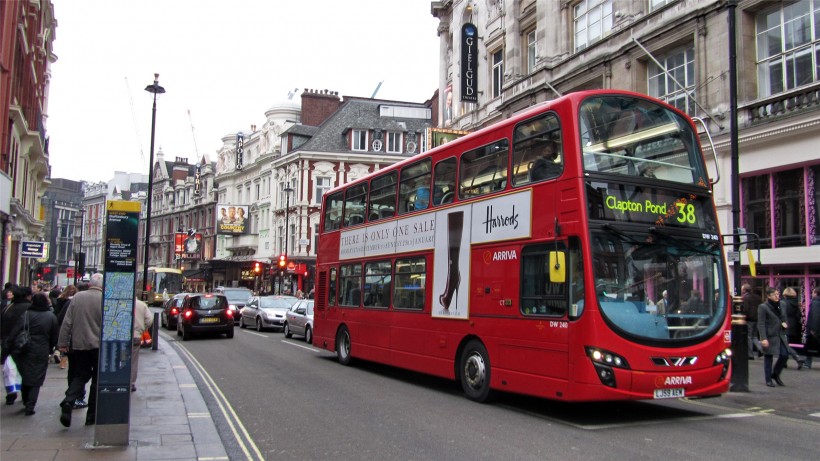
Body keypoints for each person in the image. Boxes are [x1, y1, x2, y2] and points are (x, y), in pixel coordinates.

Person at [57, 273, 103, 427]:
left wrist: (62, 343)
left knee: (80, 375)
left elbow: (67, 322)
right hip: (99, 346)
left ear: (90, 284)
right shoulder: (105, 298)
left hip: (79, 344)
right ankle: (91, 417)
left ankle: (69, 400)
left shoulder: (77, 297)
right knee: (97, 380)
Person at [3, 293, 58, 415]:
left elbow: (16, 331)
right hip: (41, 349)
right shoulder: (51, 316)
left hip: (24, 349)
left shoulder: (26, 314)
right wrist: (51, 348)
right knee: (36, 377)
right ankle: (30, 405)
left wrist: (9, 347)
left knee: (25, 374)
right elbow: (54, 335)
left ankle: (25, 399)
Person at [1, 286, 30, 405]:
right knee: (24, 369)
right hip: (25, 342)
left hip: (8, 342)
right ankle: (24, 393)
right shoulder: (29, 307)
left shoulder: (8, 308)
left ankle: (11, 392)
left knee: (9, 369)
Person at [758, 287, 789, 387]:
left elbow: (783, 317)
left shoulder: (782, 305)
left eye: (777, 294)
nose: (777, 296)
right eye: (774, 295)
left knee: (784, 355)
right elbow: (761, 323)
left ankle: (775, 374)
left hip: (780, 334)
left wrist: (784, 323)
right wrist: (763, 338)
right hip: (769, 335)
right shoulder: (763, 307)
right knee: (768, 357)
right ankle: (768, 379)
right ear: (768, 296)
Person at [53, 285, 78, 369]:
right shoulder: (75, 300)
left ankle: (57, 351)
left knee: (62, 338)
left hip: (62, 320)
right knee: (68, 342)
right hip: (72, 323)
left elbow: (56, 312)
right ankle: (62, 360)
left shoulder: (61, 299)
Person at [131, 298, 153, 392]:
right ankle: (131, 383)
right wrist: (143, 328)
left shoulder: (120, 302)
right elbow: (149, 320)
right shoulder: (142, 304)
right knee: (133, 360)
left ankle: (120, 380)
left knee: (121, 358)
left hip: (120, 337)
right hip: (136, 336)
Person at [780, 287, 805, 370]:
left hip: (784, 325)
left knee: (785, 344)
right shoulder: (796, 304)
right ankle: (784, 362)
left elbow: (781, 314)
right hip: (793, 326)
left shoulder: (783, 303)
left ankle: (797, 358)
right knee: (786, 343)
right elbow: (798, 316)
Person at [741, 283, 762, 359]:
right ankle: (760, 349)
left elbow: (745, 309)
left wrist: (743, 316)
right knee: (754, 336)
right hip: (757, 319)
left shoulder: (745, 298)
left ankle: (750, 354)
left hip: (749, 319)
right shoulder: (757, 297)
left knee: (749, 336)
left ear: (744, 290)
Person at [805, 287, 820, 369]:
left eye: (813, 292)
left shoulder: (815, 303)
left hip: (814, 330)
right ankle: (807, 362)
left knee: (810, 346)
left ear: (816, 293)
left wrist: (813, 330)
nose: (812, 294)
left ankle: (807, 363)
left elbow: (816, 316)